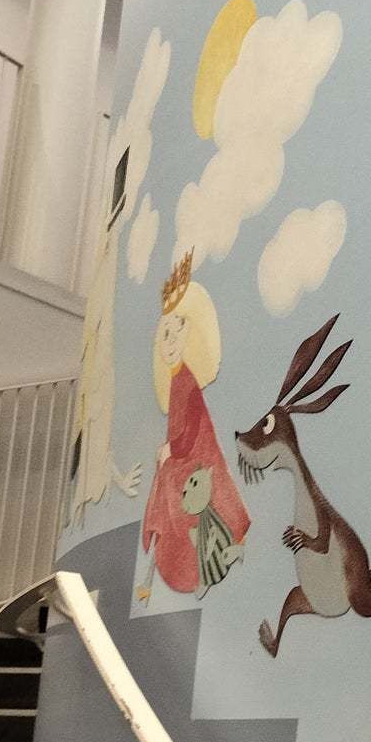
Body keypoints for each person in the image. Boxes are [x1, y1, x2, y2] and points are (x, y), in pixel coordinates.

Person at [137, 252, 249, 601]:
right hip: (183, 462)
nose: (170, 341)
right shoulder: (176, 382)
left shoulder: (187, 383)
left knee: (184, 507)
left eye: (178, 329)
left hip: (194, 463)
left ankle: (199, 566)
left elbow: (190, 432)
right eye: (165, 333)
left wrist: (171, 451)